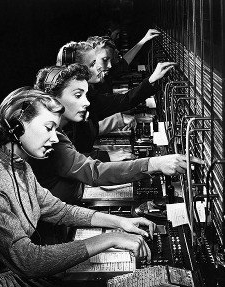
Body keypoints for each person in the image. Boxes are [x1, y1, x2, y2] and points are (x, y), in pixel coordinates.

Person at [0, 86, 156, 287]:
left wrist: (121, 222)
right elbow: (28, 260)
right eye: (48, 128)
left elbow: (57, 209)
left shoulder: (19, 166)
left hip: (24, 285)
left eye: (56, 129)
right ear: (16, 127)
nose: (54, 138)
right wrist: (109, 239)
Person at [32, 64, 204, 205]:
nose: (86, 102)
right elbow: (94, 172)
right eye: (78, 95)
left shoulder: (57, 130)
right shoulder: (49, 138)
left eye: (85, 94)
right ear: (52, 98)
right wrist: (155, 163)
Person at [55, 40, 176, 156]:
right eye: (92, 64)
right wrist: (107, 157)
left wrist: (152, 80)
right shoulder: (57, 113)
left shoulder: (90, 98)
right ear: (75, 70)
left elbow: (124, 101)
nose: (101, 67)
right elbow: (69, 162)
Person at [87, 29, 161, 94]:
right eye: (105, 59)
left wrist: (145, 39)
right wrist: (151, 80)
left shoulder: (103, 75)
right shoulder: (87, 91)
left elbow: (123, 64)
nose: (110, 65)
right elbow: (125, 101)